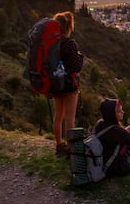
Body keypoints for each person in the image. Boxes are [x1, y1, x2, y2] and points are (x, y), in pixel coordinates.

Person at [51, 11, 84, 157]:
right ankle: (71, 149)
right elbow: (76, 67)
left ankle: (59, 145)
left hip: (55, 83)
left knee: (58, 116)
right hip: (69, 85)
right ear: (68, 26)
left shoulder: (51, 43)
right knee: (70, 118)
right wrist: (80, 56)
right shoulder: (69, 43)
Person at [94, 98, 130, 175]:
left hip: (105, 161)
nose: (123, 112)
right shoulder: (116, 130)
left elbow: (123, 136)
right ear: (112, 114)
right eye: (119, 111)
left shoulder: (100, 124)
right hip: (117, 167)